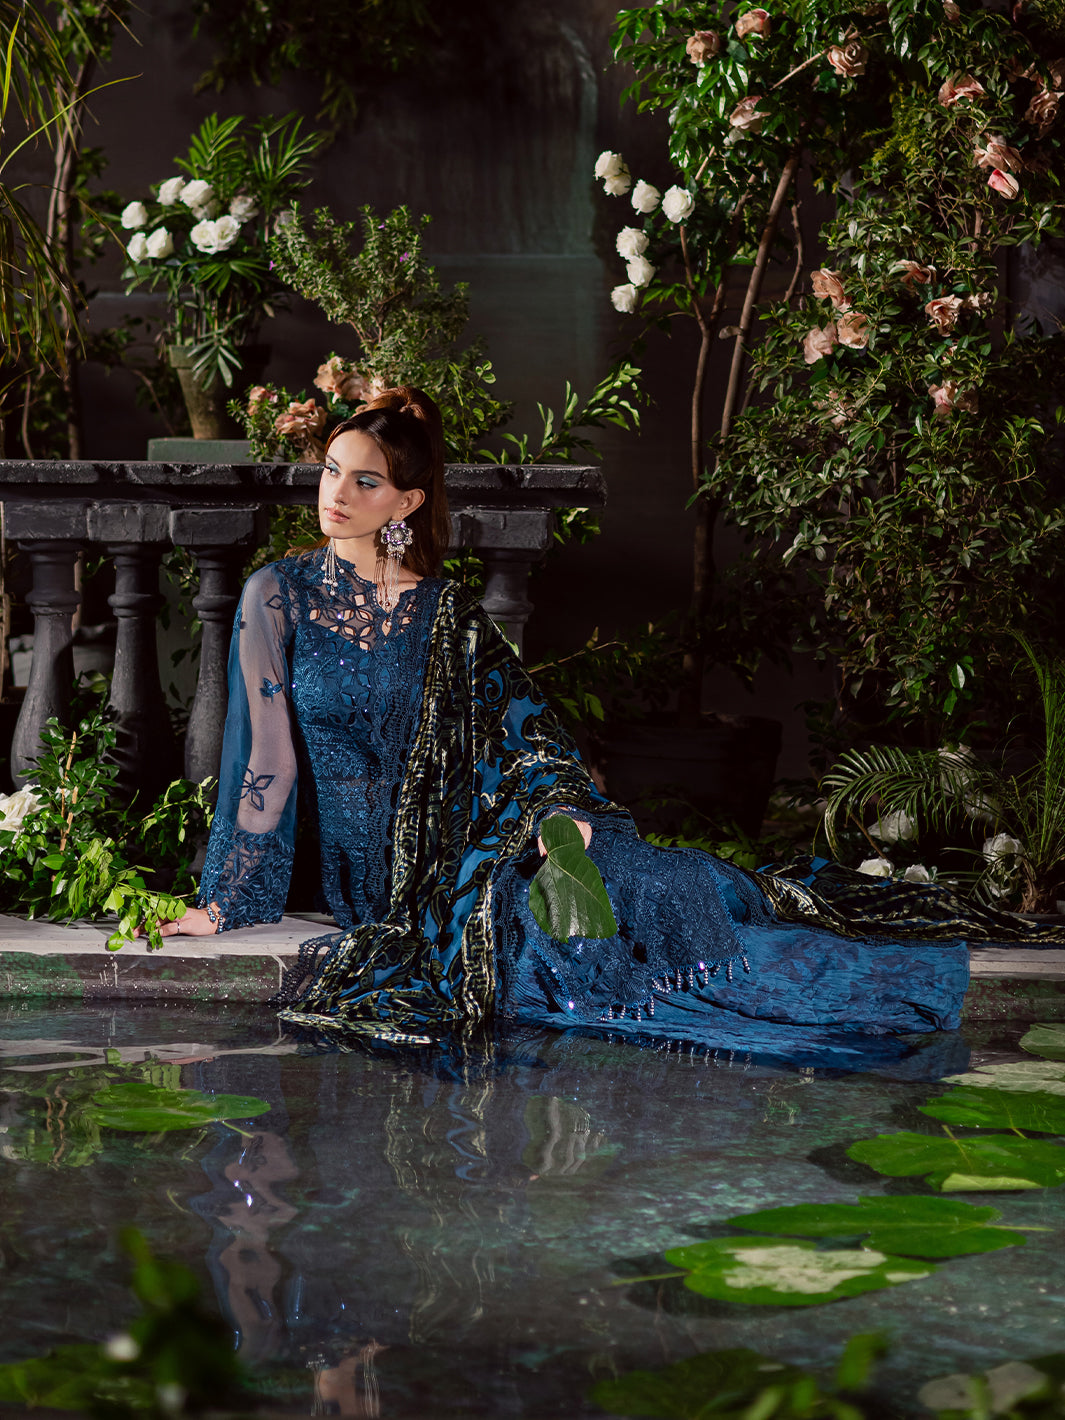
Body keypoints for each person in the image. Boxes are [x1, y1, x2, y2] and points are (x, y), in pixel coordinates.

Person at [152, 385, 1063, 1054]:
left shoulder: (446, 614)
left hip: (481, 832)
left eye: (364, 481)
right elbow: (267, 760)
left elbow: (525, 731)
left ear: (407, 504)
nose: (337, 494)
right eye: (331, 471)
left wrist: (558, 810)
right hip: (387, 875)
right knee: (554, 946)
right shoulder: (277, 595)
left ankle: (862, 981)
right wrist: (226, 900)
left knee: (662, 887)